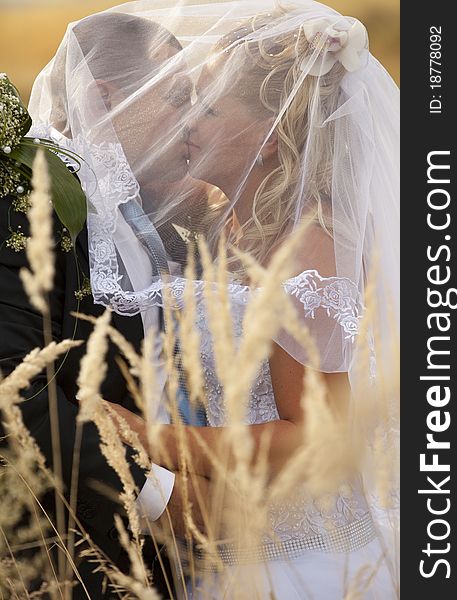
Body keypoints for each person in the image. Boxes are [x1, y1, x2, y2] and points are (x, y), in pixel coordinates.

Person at [76, 1, 399, 598]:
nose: (186, 122)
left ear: (271, 139)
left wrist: (146, 438)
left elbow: (315, 437)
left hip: (303, 564)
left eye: (207, 108)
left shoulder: (310, 251)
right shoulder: (226, 221)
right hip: (223, 553)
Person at [0, 11, 209, 598]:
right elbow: (14, 380)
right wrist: (152, 495)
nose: (194, 118)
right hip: (60, 554)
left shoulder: (139, 213)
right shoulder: (28, 196)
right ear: (105, 97)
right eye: (177, 97)